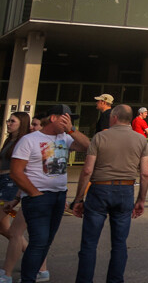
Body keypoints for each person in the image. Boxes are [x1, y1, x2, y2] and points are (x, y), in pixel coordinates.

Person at [9, 104, 90, 283]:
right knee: (38, 241)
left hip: (59, 196)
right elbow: (16, 172)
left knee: (45, 242)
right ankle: (27, 279)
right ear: (53, 118)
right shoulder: (29, 140)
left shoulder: (65, 138)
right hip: (38, 197)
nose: (69, 122)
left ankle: (34, 274)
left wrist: (72, 130)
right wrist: (34, 193)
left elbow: (88, 146)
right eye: (66, 118)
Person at [70, 103, 148, 283]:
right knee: (119, 243)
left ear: (114, 117)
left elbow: (87, 170)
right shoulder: (141, 140)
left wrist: (78, 198)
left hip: (100, 189)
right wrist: (141, 200)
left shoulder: (100, 137)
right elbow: (145, 173)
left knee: (89, 243)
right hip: (125, 191)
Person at [1, 113, 48, 283]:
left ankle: (7, 273)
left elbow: (27, 169)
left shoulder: (30, 142)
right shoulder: (12, 141)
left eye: (12, 121)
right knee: (11, 231)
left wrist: (17, 194)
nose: (8, 123)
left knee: (15, 232)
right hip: (10, 186)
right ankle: (39, 265)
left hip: (13, 186)